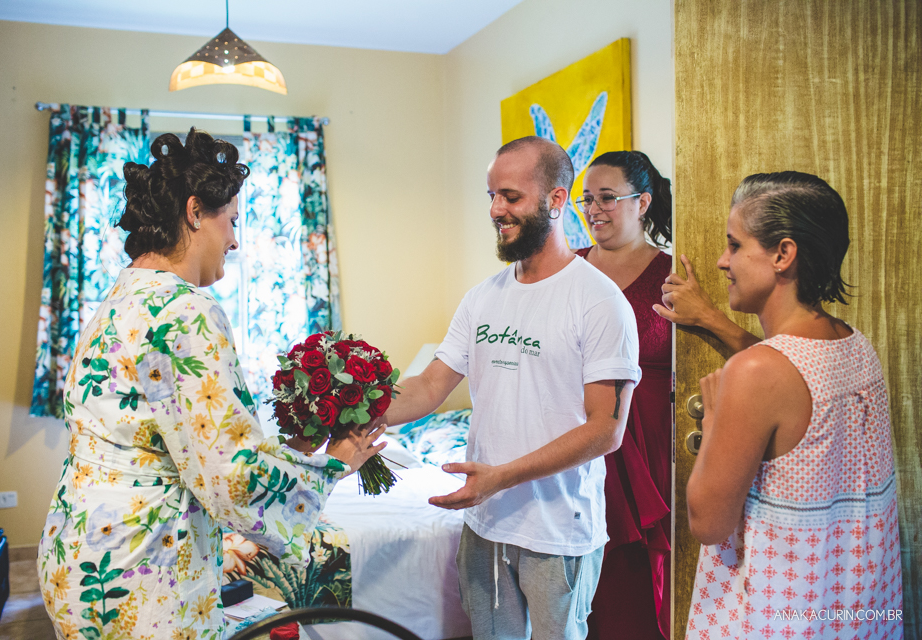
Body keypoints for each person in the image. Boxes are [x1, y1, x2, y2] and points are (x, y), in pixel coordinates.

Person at [36, 129, 385, 640]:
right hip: (139, 567)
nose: (236, 240)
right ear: (196, 211)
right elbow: (231, 476)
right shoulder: (185, 310)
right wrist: (332, 464)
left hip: (77, 549)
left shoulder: (120, 296)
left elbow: (188, 441)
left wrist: (291, 450)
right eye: (233, 222)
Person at [380, 136, 642, 640]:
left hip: (558, 532)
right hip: (484, 526)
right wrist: (353, 408)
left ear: (557, 199)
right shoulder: (482, 298)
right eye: (491, 197)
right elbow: (430, 385)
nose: (497, 209)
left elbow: (606, 431)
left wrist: (502, 476)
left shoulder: (598, 301)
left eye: (511, 196)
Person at [684, 172, 903, 639]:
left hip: (774, 614)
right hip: (847, 606)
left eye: (735, 245)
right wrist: (711, 319)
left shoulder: (757, 373)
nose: (723, 262)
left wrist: (719, 415)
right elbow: (784, 379)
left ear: (783, 254)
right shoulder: (853, 344)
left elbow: (707, 522)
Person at [573, 151, 672, 640]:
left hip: (650, 439)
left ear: (643, 202)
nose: (594, 209)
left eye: (608, 198)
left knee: (635, 575)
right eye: (587, 199)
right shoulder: (565, 268)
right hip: (577, 429)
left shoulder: (672, 275)